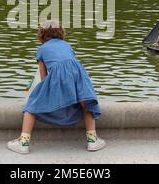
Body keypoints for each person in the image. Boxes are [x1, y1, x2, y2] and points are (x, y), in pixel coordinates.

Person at [7, 20, 104, 154]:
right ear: (61, 32)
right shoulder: (67, 45)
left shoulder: (41, 49)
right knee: (86, 102)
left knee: (32, 105)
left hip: (59, 75)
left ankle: (23, 143)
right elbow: (70, 64)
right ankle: (92, 141)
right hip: (79, 74)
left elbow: (43, 78)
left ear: (42, 34)